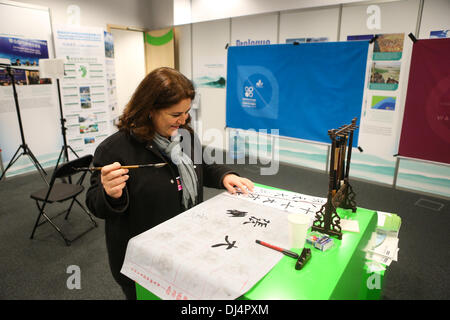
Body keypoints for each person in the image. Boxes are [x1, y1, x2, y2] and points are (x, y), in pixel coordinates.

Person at [85, 67, 254, 300]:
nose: (183, 120)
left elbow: (201, 163)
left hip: (187, 248)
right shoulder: (114, 150)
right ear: (149, 110)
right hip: (144, 263)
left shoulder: (184, 134)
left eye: (186, 112)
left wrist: (225, 175)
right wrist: (109, 193)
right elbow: (95, 204)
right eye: (176, 114)